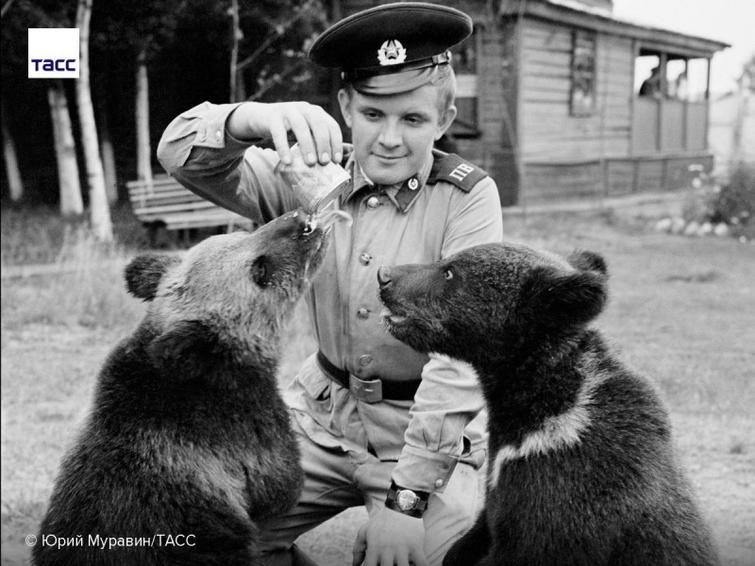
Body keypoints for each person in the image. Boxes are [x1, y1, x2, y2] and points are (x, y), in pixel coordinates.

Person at [157, 3, 503, 565]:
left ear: (444, 120)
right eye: (371, 114)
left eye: (412, 119)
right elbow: (181, 156)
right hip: (320, 421)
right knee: (205, 533)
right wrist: (253, 119)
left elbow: (460, 359)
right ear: (345, 107)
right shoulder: (308, 178)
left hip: (419, 433)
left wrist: (406, 500)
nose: (389, 139)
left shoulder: (466, 198)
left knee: (442, 555)